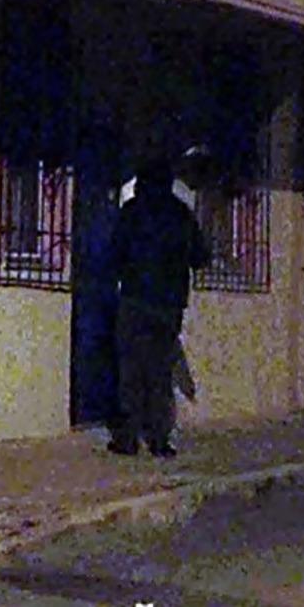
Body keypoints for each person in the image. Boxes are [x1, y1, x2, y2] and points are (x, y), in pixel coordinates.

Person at [108, 160, 209, 458]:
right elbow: (201, 256)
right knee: (160, 372)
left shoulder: (132, 212)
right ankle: (159, 439)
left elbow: (114, 253)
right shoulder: (180, 214)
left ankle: (128, 437)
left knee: (131, 369)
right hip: (168, 305)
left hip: (135, 299)